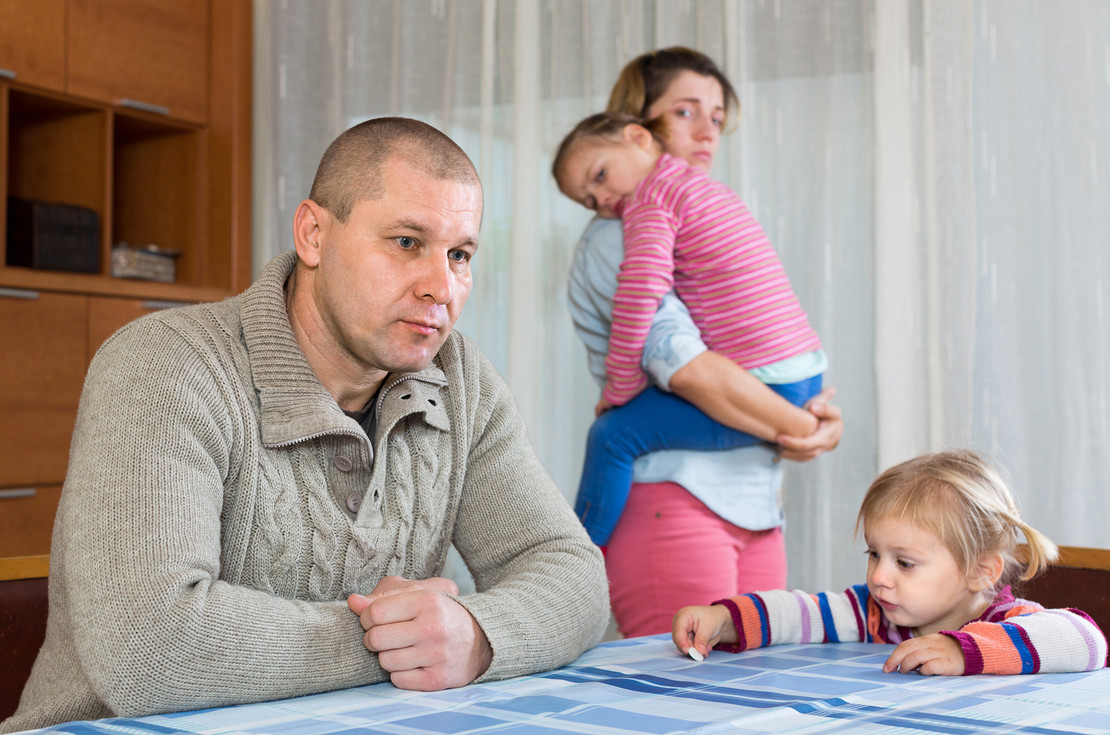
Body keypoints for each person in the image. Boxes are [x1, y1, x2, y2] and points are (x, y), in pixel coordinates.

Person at [2, 117, 609, 733]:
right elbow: (150, 647)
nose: (441, 288)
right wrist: (403, 641)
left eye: (459, 255)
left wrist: (477, 634)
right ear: (314, 235)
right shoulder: (165, 367)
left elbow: (572, 572)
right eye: (406, 242)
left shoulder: (461, 380)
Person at [564, 46, 842, 637]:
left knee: (753, 706)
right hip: (678, 501)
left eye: (716, 117)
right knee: (684, 713)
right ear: (637, 125)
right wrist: (802, 426)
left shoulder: (689, 209)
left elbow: (756, 346)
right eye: (687, 112)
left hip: (754, 503)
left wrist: (809, 426)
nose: (707, 131)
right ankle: (560, 570)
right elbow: (686, 368)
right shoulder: (622, 231)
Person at [554, 111, 827, 548]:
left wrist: (619, 389)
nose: (604, 200)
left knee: (612, 434)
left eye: (600, 176)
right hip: (802, 373)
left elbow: (640, 294)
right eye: (589, 200)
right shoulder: (694, 186)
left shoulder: (649, 199)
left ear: (639, 137)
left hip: (770, 384)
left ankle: (568, 567)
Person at [673, 450, 1108, 675]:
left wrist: (964, 649)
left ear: (982, 571)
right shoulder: (874, 614)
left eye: (905, 563)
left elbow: (1087, 641)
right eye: (874, 554)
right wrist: (724, 620)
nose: (879, 577)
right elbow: (798, 611)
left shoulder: (1005, 620)